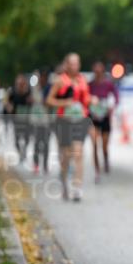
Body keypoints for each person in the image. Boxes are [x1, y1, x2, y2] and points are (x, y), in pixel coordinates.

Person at [46, 53, 91, 201]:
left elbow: (87, 100)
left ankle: (77, 188)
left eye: (77, 63)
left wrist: (93, 101)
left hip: (79, 120)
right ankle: (64, 182)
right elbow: (49, 100)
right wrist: (64, 103)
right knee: (65, 156)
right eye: (71, 63)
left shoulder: (82, 80)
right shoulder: (60, 81)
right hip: (64, 121)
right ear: (66, 65)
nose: (74, 66)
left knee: (78, 153)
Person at [88, 61, 119, 179]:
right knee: (95, 144)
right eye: (95, 71)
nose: (97, 73)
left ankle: (105, 159)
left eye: (99, 71)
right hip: (93, 117)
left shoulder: (108, 84)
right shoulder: (90, 84)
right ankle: (97, 169)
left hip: (105, 116)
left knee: (104, 145)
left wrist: (112, 106)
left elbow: (116, 96)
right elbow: (84, 96)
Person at [5, 74, 33, 164]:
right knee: (17, 138)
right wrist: (9, 108)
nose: (20, 84)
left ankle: (24, 150)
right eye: (18, 83)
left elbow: (32, 102)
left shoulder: (28, 91)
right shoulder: (13, 91)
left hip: (26, 117)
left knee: (27, 137)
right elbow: (7, 102)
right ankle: (20, 152)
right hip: (16, 117)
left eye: (21, 83)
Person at [31, 69, 53, 174]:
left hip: (47, 121)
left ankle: (45, 164)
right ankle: (36, 164)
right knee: (36, 143)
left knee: (46, 143)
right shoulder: (35, 88)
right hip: (36, 120)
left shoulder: (50, 89)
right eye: (41, 77)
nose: (42, 79)